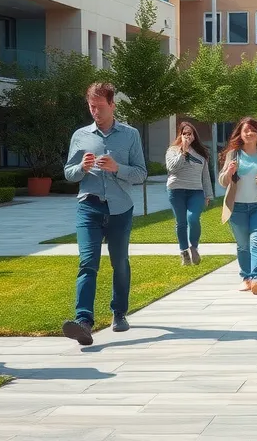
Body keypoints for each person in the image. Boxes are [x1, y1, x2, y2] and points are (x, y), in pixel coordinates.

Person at [62, 82, 147, 347]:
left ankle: (119, 312)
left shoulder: (130, 134)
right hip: (89, 206)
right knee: (88, 263)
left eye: (99, 106)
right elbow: (68, 173)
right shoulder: (80, 136)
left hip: (120, 208)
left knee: (119, 262)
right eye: (91, 106)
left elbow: (141, 174)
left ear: (112, 105)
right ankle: (83, 322)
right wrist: (81, 169)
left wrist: (117, 168)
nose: (95, 111)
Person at [218, 117, 257, 296]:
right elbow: (222, 182)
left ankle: (256, 278)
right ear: (240, 133)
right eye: (246, 130)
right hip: (236, 207)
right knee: (243, 245)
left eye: (253, 130)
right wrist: (229, 172)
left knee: (256, 241)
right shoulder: (233, 154)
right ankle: (245, 277)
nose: (249, 133)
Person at [165, 121, 214, 266]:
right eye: (184, 133)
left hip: (196, 191)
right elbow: (173, 168)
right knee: (181, 222)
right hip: (176, 190)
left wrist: (208, 195)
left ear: (194, 136)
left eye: (190, 133)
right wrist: (183, 151)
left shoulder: (201, 153)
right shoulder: (172, 150)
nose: (187, 136)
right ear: (180, 135)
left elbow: (205, 175)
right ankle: (184, 252)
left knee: (193, 218)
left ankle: (194, 247)